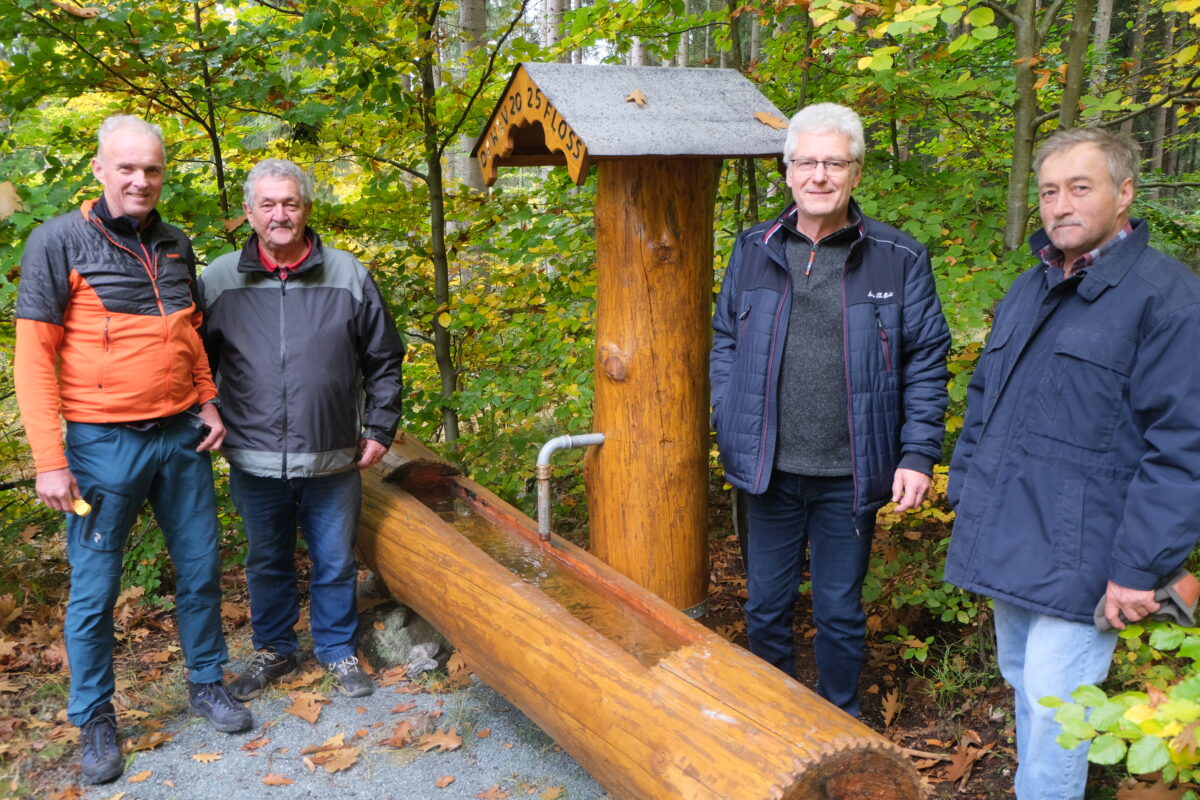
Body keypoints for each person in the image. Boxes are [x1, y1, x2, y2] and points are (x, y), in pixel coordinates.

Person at [945, 127, 1200, 800]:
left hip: (1089, 555)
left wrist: (1140, 568)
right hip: (1009, 535)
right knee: (1026, 689)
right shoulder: (1033, 287)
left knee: (1060, 715)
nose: (1060, 205)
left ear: (1124, 194)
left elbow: (1183, 445)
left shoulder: (1166, 298)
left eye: (1079, 188)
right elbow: (984, 402)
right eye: (1050, 191)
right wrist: (965, 491)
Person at [14, 115, 251, 785]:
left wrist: (207, 399)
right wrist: (48, 461)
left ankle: (207, 683)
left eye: (151, 168)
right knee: (95, 589)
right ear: (100, 170)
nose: (140, 180)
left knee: (201, 568)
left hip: (181, 438)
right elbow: (33, 361)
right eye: (127, 167)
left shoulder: (175, 242)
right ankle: (95, 720)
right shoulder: (57, 241)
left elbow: (188, 334)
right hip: (99, 447)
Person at [709, 103, 951, 716]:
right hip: (769, 471)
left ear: (856, 173)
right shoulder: (753, 248)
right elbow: (726, 341)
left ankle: (839, 725)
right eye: (807, 162)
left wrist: (918, 453)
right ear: (787, 172)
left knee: (839, 611)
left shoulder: (898, 257)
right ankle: (775, 723)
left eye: (834, 162)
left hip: (850, 473)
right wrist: (726, 414)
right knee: (764, 606)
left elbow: (926, 360)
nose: (820, 174)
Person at [200, 159, 404, 701]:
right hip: (253, 457)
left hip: (333, 454)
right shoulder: (219, 279)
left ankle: (336, 648)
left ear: (307, 209)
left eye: (290, 203)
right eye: (267, 204)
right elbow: (191, 361)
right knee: (266, 560)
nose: (279, 214)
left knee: (335, 559)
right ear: (249, 213)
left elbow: (383, 359)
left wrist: (381, 426)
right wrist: (207, 408)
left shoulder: (348, 274)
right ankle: (274, 649)